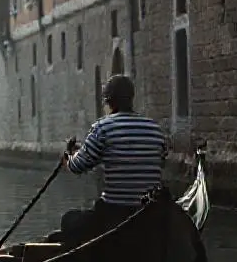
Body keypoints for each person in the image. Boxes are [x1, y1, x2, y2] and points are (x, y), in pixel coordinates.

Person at [55, 73, 169, 248]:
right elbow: (159, 161)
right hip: (149, 214)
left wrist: (67, 156)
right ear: (131, 99)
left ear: (109, 102)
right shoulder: (154, 129)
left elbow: (77, 166)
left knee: (69, 220)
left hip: (115, 215)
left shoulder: (102, 128)